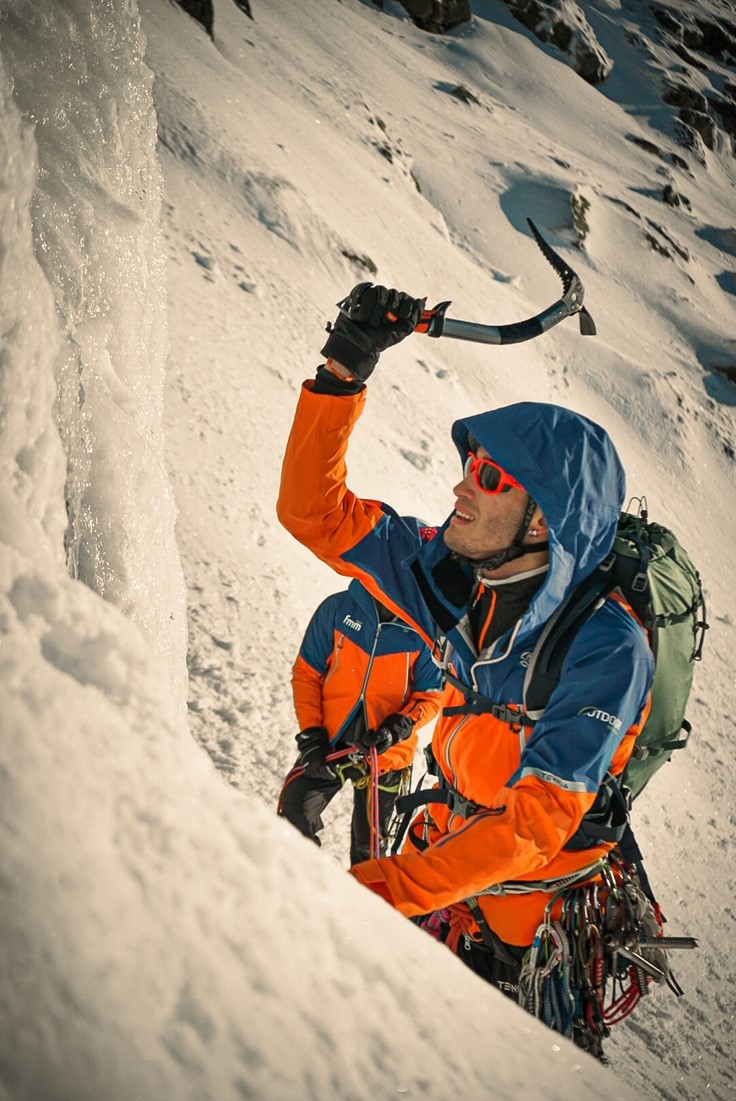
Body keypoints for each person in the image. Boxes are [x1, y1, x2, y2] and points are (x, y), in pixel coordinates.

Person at [277, 282, 653, 1055]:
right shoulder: (450, 576)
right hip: (444, 864)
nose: (459, 485)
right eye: (471, 465)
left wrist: (378, 891)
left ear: (544, 518)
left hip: (533, 915)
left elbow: (534, 824)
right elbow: (313, 513)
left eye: (490, 478)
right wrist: (344, 369)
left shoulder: (608, 646)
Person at [278, 578, 442, 864]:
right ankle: (303, 884)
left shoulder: (426, 630)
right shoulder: (337, 608)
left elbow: (430, 696)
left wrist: (398, 727)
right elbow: (307, 674)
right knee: (293, 818)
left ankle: (356, 895)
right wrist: (312, 734)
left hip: (386, 755)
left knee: (370, 857)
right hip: (328, 744)